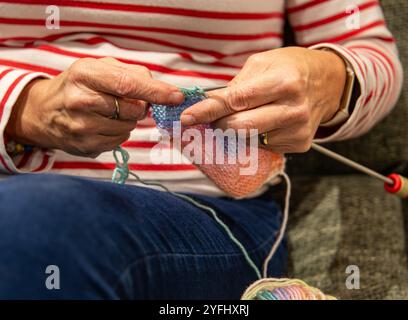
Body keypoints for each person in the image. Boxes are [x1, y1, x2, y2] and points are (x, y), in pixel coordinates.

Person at [0, 1, 402, 299]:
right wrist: (25, 109)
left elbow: (369, 51)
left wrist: (329, 79)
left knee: (38, 221)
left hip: (205, 212)